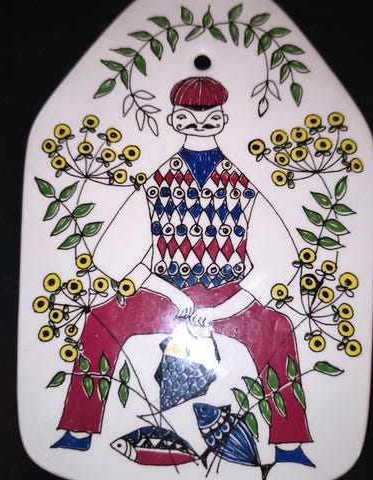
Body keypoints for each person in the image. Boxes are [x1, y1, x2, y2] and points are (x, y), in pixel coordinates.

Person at [52, 76, 313, 466]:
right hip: (162, 290)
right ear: (174, 119)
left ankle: (289, 445)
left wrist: (222, 310)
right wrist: (172, 296)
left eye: (210, 118)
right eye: (188, 117)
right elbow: (114, 255)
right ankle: (78, 430)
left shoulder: (242, 186)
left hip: (228, 293)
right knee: (100, 321)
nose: (200, 124)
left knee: (278, 328)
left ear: (223, 120)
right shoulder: (156, 182)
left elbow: (277, 262)